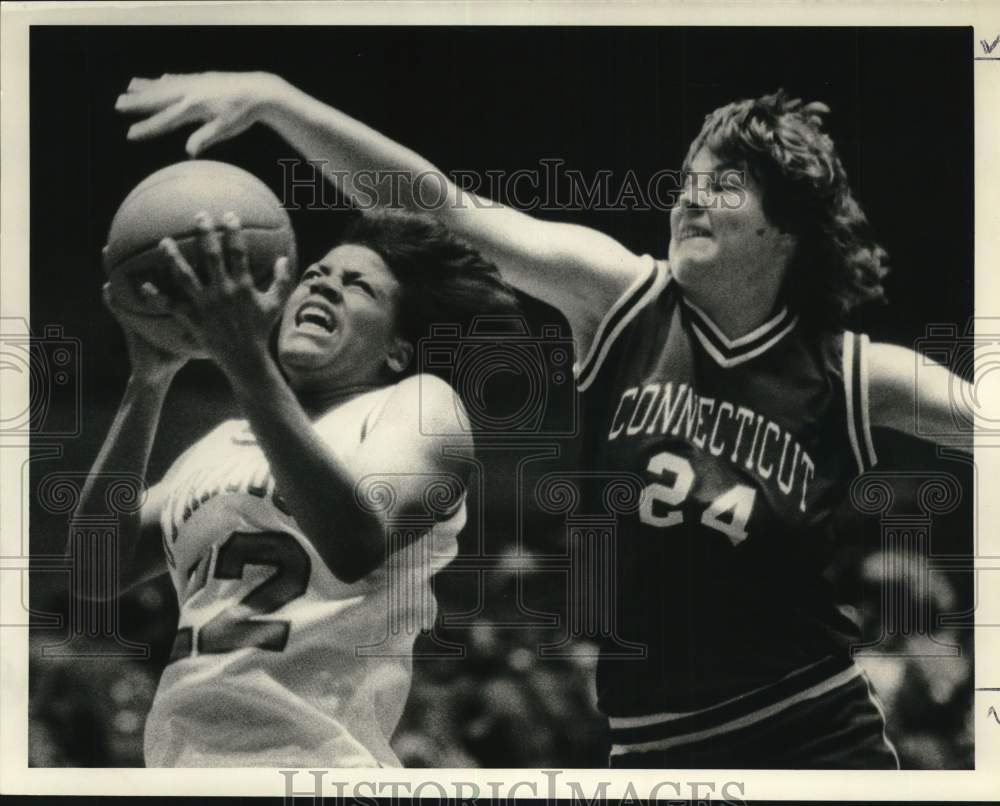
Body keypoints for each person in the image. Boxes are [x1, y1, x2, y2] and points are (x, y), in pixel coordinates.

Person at [115, 73, 975, 768]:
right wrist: (281, 103)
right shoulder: (621, 298)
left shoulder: (853, 371)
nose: (688, 200)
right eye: (684, 182)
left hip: (811, 728)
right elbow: (447, 206)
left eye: (722, 185)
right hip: (648, 745)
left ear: (784, 222)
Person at [74, 206, 520, 767]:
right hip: (183, 765)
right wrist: (148, 380)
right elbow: (91, 573)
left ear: (397, 350)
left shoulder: (417, 403)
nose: (325, 285)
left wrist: (244, 360)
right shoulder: (222, 441)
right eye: (315, 274)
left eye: (358, 286)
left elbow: (355, 541)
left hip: (319, 768)